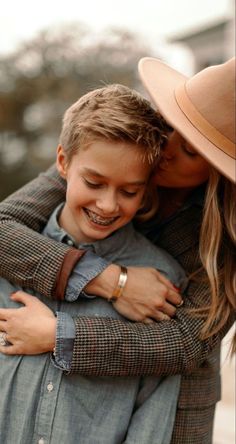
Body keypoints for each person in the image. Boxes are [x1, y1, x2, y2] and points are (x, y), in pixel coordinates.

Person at [0, 58, 235, 444]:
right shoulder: (106, 154)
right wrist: (111, 280)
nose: (166, 148)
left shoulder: (219, 245)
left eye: (190, 151)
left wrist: (61, 335)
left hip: (169, 414)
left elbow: (183, 344)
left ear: (214, 170)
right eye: (171, 126)